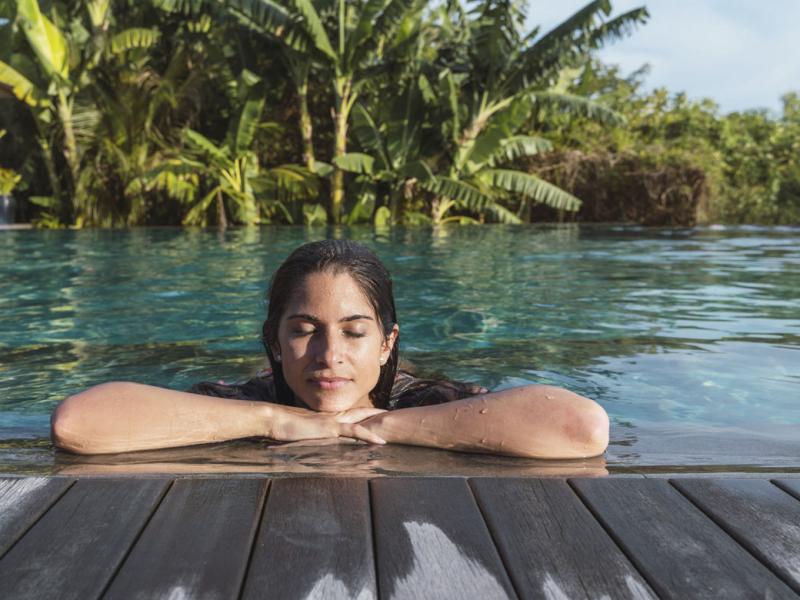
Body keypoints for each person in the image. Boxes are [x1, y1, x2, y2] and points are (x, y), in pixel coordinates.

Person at [51, 240, 609, 458]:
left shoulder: (429, 399)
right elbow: (77, 423)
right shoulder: (244, 400)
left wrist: (381, 426)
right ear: (273, 339)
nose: (328, 355)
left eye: (354, 331)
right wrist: (276, 418)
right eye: (303, 329)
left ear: (388, 344)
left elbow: (583, 429)